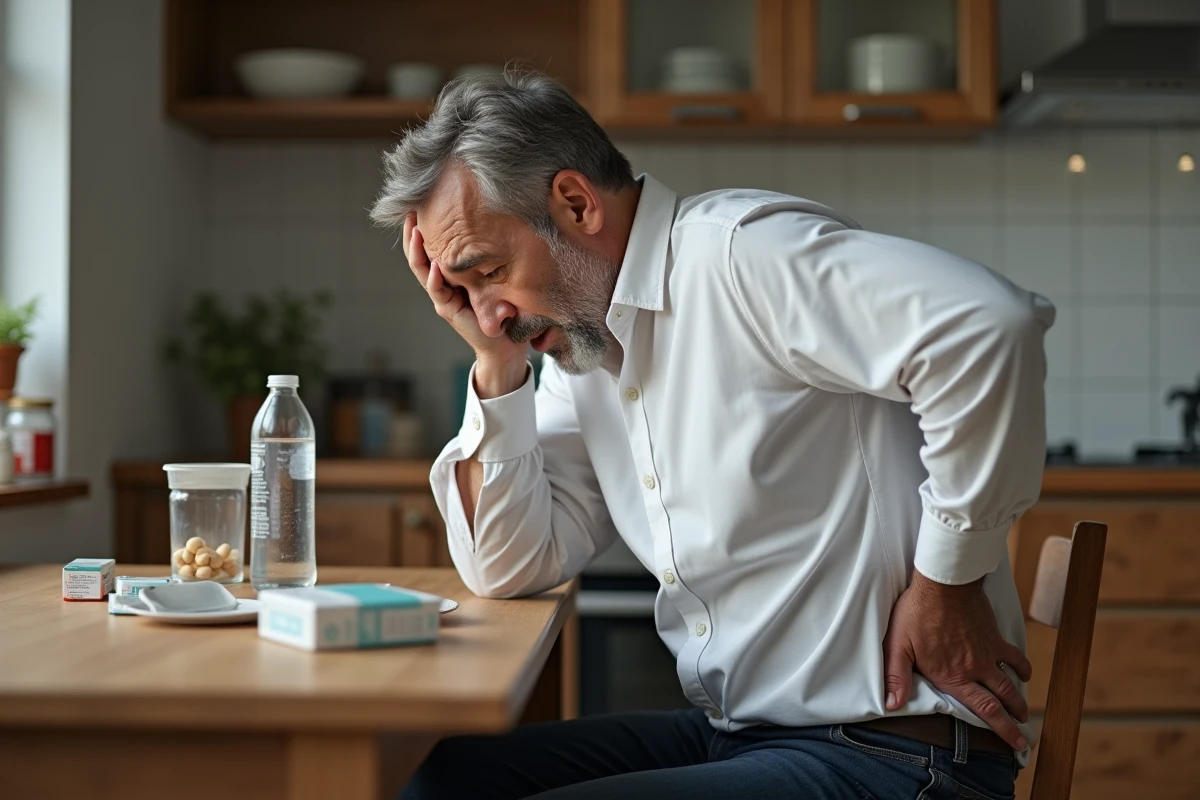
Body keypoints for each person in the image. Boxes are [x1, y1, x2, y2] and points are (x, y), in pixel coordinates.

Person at [370, 70, 1054, 800]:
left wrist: (948, 582)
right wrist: (493, 358)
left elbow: (989, 326)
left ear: (574, 203)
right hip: (751, 735)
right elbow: (509, 566)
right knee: (445, 782)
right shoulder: (585, 350)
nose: (487, 311)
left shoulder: (740, 258)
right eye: (463, 290)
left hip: (891, 754)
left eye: (489, 273)